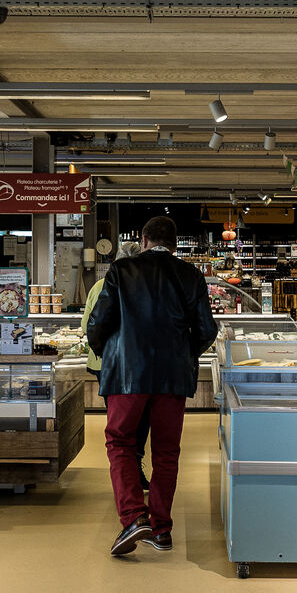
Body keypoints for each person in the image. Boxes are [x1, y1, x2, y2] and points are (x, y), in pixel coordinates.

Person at [86, 216, 218, 557]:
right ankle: (161, 529)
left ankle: (133, 517)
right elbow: (206, 330)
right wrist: (182, 353)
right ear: (174, 244)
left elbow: (98, 322)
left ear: (143, 240)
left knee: (120, 442)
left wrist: (107, 352)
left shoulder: (121, 270)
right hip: (172, 378)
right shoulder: (191, 274)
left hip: (127, 375)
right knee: (166, 452)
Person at [82, 242, 149, 491]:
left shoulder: (99, 286)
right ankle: (135, 463)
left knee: (117, 421)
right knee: (140, 417)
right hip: (137, 364)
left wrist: (104, 349)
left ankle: (124, 474)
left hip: (105, 364)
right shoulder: (144, 287)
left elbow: (86, 325)